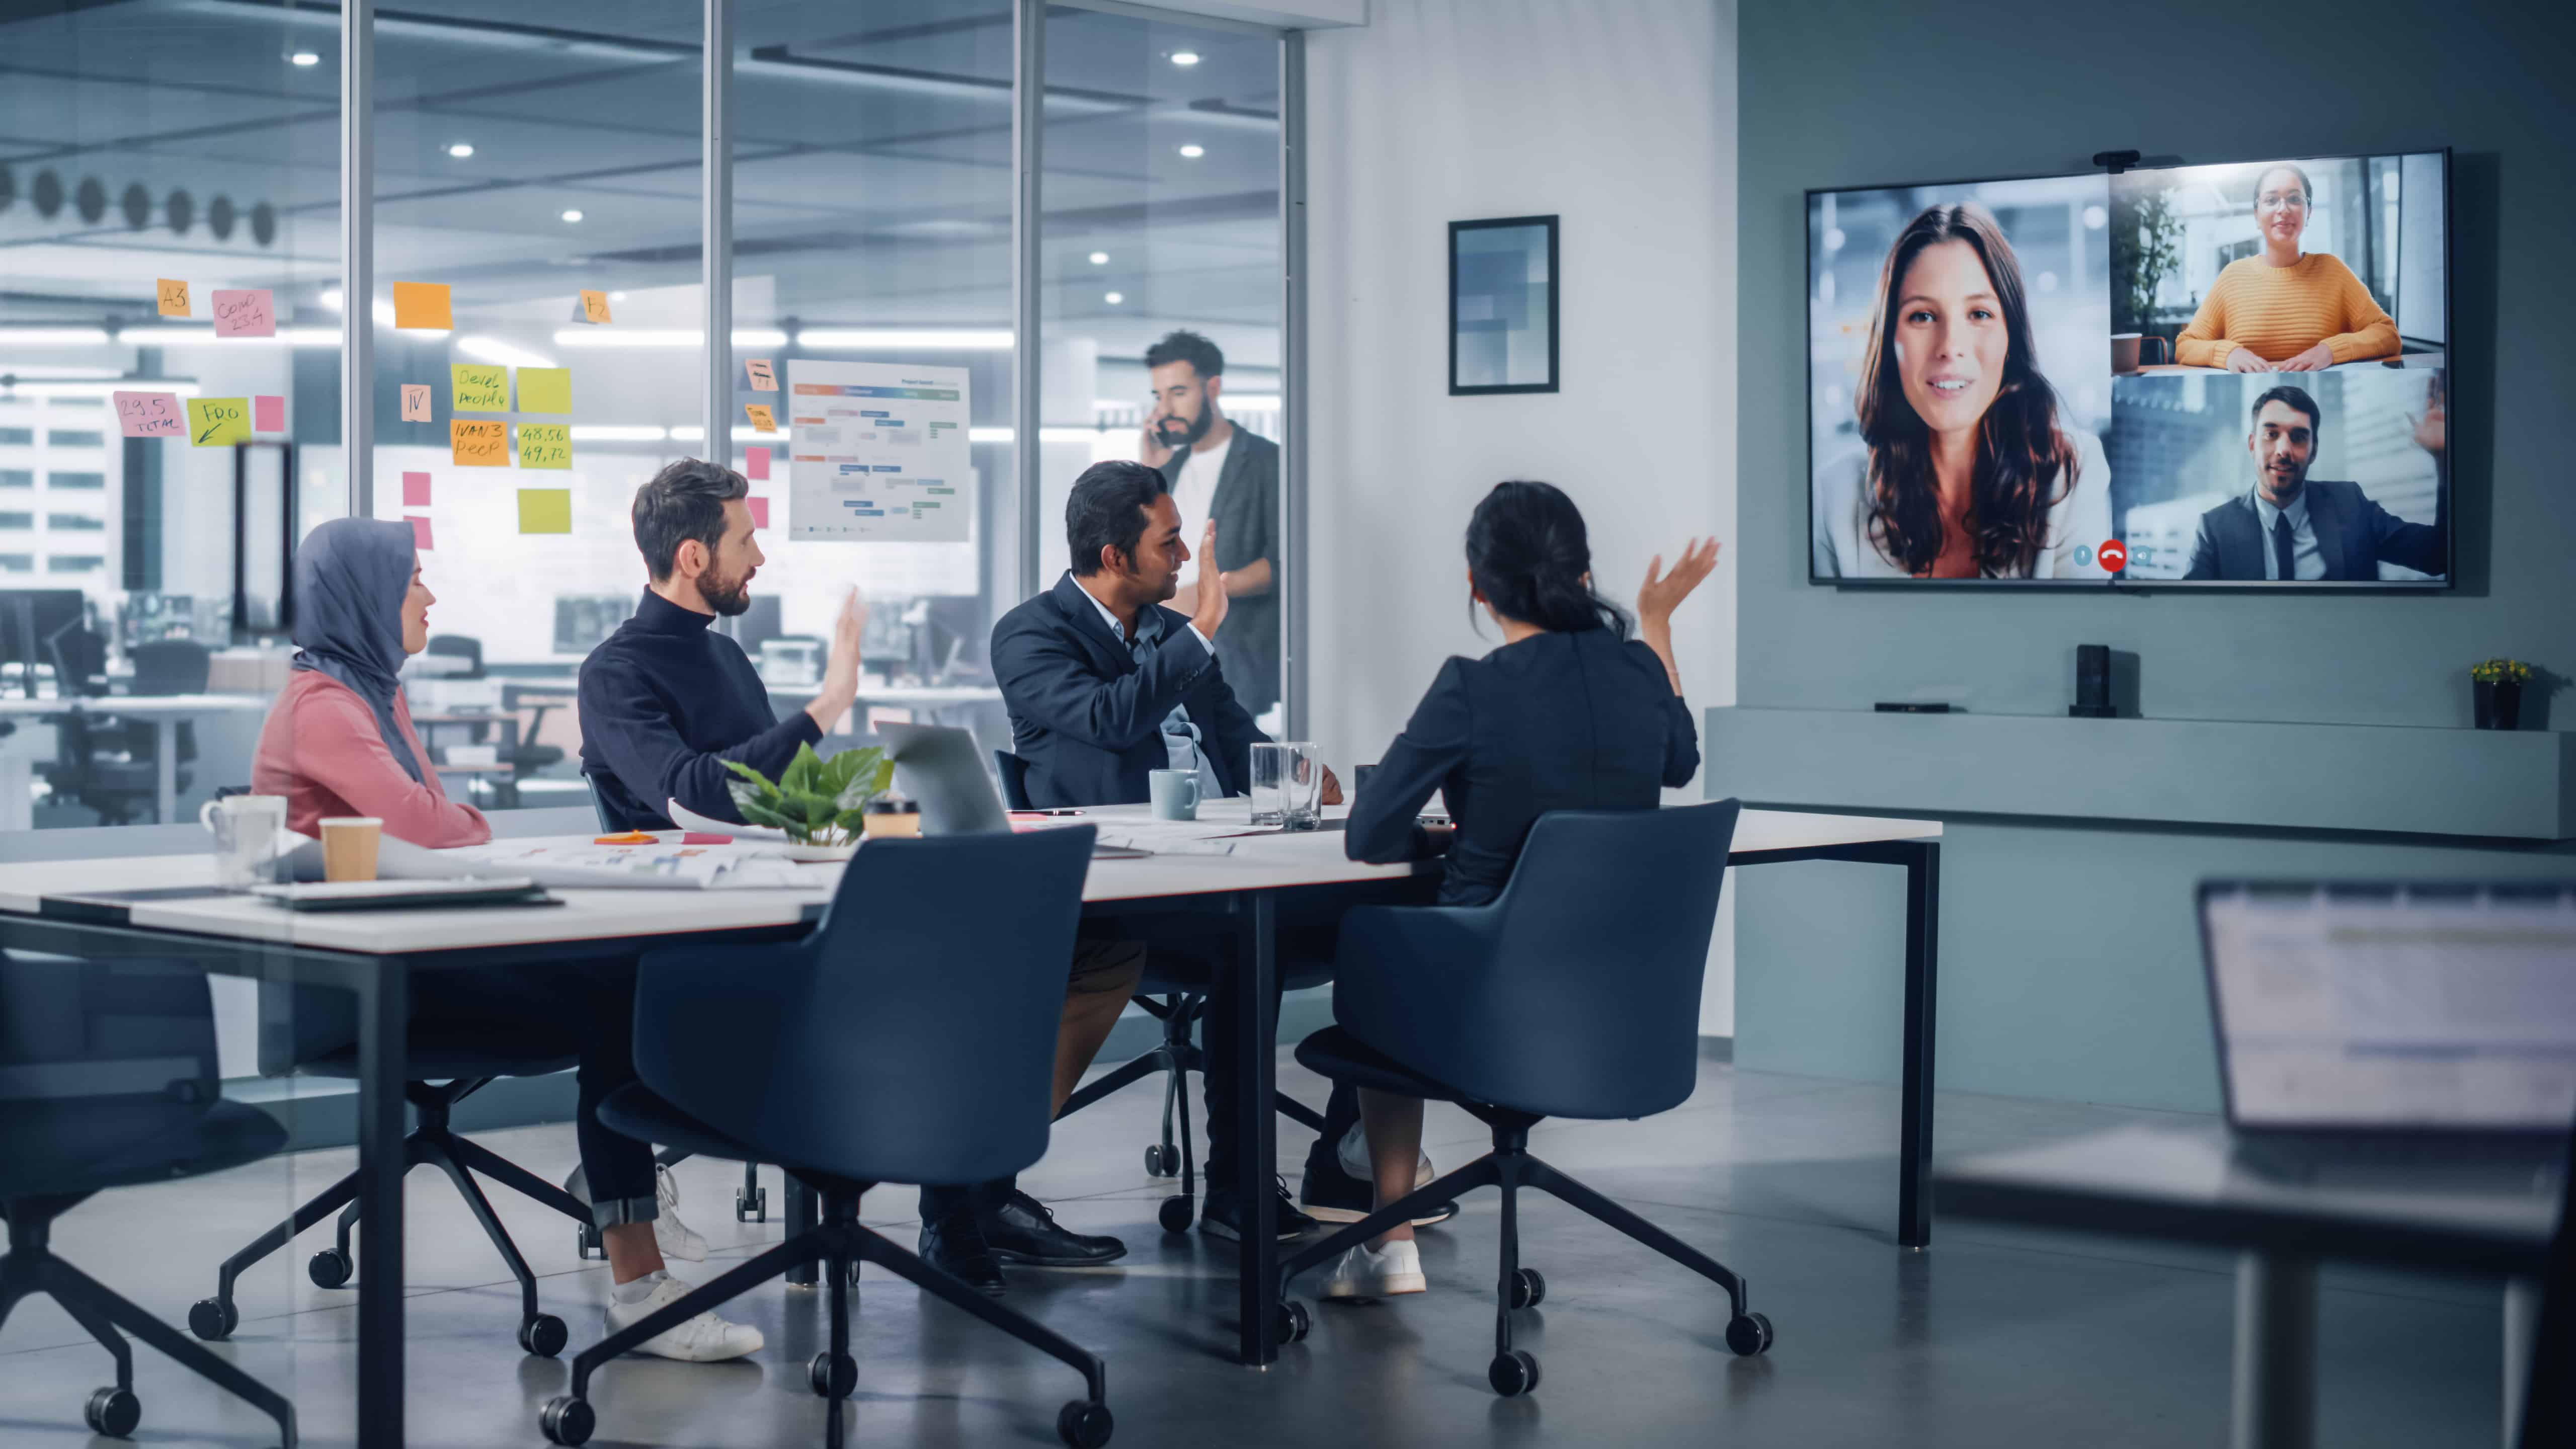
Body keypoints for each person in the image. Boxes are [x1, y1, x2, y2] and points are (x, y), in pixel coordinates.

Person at [580, 459, 1137, 1297]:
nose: (760, 557)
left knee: (1024, 964)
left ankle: (965, 1208)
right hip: (710, 944)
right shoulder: (615, 674)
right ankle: (948, 1207)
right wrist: (825, 707)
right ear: (693, 558)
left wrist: (869, 808)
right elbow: (695, 791)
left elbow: (778, 801)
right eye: (746, 539)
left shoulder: (726, 663)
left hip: (795, 909)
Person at [255, 518, 756, 1364]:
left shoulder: (374, 693)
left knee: (623, 977)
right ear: (365, 597)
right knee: (617, 988)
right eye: (413, 578)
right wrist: (461, 826)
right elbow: (437, 831)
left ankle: (626, 1222)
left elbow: (439, 835)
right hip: (356, 985)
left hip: (413, 952)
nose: (430, 594)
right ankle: (639, 1280)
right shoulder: (326, 707)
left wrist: (457, 828)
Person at [1318, 481, 1719, 1300]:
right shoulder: (1639, 670)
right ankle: (1386, 1213)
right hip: (1623, 1011)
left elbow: (1365, 837)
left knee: (1381, 944)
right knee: (1405, 948)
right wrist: (1658, 625)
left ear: (1478, 585)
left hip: (1487, 1004)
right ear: (1582, 574)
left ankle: (1391, 1237)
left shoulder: (1475, 685)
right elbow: (1680, 764)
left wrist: (1439, 840)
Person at [993, 460, 1386, 1247]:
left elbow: (1237, 739)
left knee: (1382, 932)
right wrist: (1203, 629)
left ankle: (1345, 1161)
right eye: (1169, 542)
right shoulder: (1031, 635)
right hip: (1123, 896)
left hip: (1219, 871)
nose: (1182, 558)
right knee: (1252, 941)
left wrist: (1305, 776)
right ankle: (1240, 1192)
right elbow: (1107, 720)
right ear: (1114, 556)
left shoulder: (1168, 633)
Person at [1814, 203, 2111, 579]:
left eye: (1979, 314)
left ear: (2011, 337)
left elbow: (2080, 629)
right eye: (1922, 316)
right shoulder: (1832, 496)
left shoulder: (2074, 473)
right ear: (1890, 340)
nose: (1950, 346)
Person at [1138, 330, 1282, 718]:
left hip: (1237, 659)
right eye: (1159, 396)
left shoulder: (1268, 462)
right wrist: (1148, 473)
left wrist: (1208, 593)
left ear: (1213, 387)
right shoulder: (1167, 470)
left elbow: (1284, 564)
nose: (1166, 408)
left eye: (1179, 393)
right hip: (1166, 655)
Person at [2182, 384, 2445, 581]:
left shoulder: (2351, 505)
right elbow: (2190, 615)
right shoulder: (2215, 529)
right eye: (2271, 434)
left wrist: (2444, 458)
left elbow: (2438, 556)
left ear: (2314, 451)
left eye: (2298, 437)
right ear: (2252, 445)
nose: (2283, 449)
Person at [2174, 164, 2400, 373]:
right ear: (2256, 213)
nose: (2283, 209)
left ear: (2308, 211)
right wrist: (2228, 354)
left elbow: (2388, 335)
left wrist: (2330, 351)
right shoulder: (2233, 276)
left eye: (2294, 199)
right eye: (2271, 200)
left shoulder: (2333, 270)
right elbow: (2186, 346)